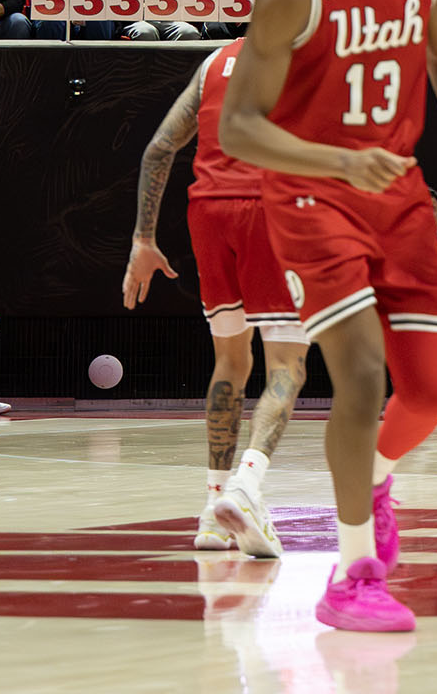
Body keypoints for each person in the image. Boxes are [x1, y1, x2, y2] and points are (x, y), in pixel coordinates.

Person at [217, 0, 437, 633]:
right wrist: (339, 162)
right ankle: (351, 574)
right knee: (363, 374)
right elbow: (240, 128)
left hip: (399, 193)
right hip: (311, 197)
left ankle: (371, 478)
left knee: (428, 390)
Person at [121, 43, 311, 554]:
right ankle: (246, 487)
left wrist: (143, 240)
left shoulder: (214, 62)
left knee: (229, 360)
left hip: (208, 213)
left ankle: (211, 509)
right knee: (287, 366)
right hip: (272, 211)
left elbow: (159, 149)